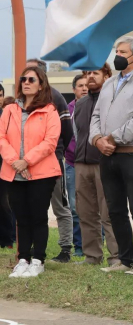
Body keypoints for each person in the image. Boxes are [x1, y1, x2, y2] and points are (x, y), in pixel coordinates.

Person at [89, 36, 133, 275]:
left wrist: (113, 138)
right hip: (107, 155)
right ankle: (124, 259)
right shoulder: (109, 83)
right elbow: (96, 115)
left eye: (122, 51)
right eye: (116, 51)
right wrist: (98, 140)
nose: (117, 55)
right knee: (115, 209)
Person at [0, 67, 62, 278]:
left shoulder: (50, 110)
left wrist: (26, 161)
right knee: (21, 217)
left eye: (31, 79)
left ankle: (38, 260)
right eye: (23, 79)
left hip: (42, 173)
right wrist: (15, 162)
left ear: (41, 84)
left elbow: (50, 142)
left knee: (37, 216)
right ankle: (23, 259)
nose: (26, 82)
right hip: (13, 171)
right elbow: (2, 138)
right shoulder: (9, 110)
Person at [25, 58, 74, 263]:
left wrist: (57, 151)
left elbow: (67, 131)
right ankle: (34, 248)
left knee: (60, 206)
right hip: (28, 162)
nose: (27, 80)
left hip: (53, 161)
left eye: (32, 75)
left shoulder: (55, 97)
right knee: (33, 207)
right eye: (24, 76)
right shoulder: (22, 100)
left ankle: (65, 249)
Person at [73, 64, 120, 266]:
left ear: (107, 75)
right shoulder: (81, 104)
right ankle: (92, 256)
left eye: (96, 73)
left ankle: (117, 256)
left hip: (105, 163)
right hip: (81, 164)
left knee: (109, 212)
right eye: (88, 74)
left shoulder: (114, 101)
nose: (90, 77)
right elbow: (77, 133)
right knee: (85, 213)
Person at [65, 74, 88, 257]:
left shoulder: (97, 107)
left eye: (86, 85)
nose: (84, 88)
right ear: (74, 89)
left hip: (93, 164)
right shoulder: (68, 110)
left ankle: (99, 242)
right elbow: (64, 136)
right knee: (74, 207)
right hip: (72, 164)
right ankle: (79, 246)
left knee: (95, 206)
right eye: (80, 85)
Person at [0, 83, 16, 250]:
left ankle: (7, 240)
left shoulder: (7, 116)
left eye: (0, 95)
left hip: (4, 166)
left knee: (5, 205)